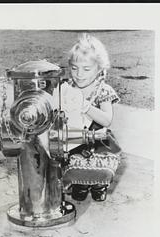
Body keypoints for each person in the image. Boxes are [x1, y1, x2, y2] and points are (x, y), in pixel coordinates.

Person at [57, 33, 122, 201]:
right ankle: (80, 184)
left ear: (99, 69)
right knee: (73, 162)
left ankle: (98, 186)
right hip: (74, 136)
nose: (79, 74)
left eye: (86, 69)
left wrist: (86, 107)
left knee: (98, 167)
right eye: (74, 68)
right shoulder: (68, 87)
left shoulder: (103, 90)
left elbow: (106, 120)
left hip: (97, 138)